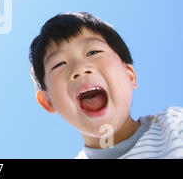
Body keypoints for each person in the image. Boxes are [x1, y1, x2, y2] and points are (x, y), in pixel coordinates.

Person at [28, 12, 183, 159]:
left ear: (130, 75)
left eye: (93, 52)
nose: (80, 69)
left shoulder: (175, 125)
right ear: (48, 101)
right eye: (59, 64)